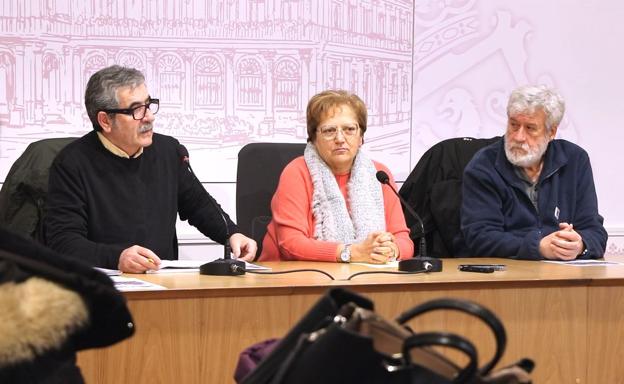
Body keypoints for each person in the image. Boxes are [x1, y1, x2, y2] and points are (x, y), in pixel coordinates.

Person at [44, 65, 256, 273]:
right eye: (136, 109)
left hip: (163, 284)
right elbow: (64, 242)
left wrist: (232, 233)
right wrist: (117, 258)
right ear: (105, 120)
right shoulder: (72, 163)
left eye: (149, 105)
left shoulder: (168, 151)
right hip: (102, 288)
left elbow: (199, 205)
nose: (149, 117)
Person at [258, 90, 414, 263]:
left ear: (361, 136)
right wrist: (350, 253)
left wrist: (392, 249)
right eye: (329, 130)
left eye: (349, 129)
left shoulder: (379, 174)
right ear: (314, 138)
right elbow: (291, 244)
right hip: (290, 280)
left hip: (364, 277)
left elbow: (402, 237)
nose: (340, 138)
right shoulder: (297, 172)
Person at [456, 85, 607, 260]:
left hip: (563, 275)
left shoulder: (575, 160)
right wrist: (538, 247)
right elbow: (480, 237)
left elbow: (595, 230)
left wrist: (580, 244)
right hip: (506, 276)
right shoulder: (484, 165)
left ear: (551, 132)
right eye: (513, 125)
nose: (519, 137)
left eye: (530, 128)